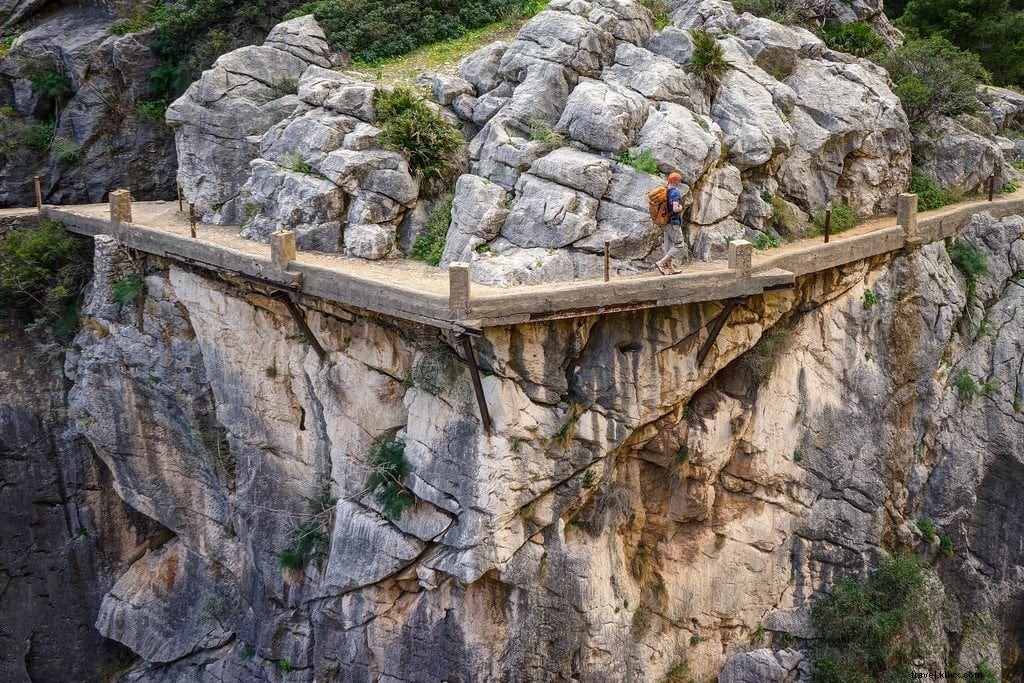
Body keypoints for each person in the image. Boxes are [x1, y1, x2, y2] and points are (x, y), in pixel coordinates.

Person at [655, 172, 685, 275]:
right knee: (679, 244)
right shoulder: (675, 192)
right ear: (674, 181)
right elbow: (675, 209)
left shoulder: (665, 191)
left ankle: (670, 269)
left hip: (664, 222)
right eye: (679, 180)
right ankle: (661, 263)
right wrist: (681, 207)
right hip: (673, 223)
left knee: (669, 246)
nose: (679, 182)